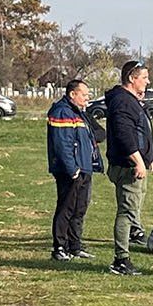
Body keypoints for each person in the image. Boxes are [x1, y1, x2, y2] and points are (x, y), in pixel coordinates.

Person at [104, 59, 153, 277]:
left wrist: (151, 157)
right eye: (144, 77)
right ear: (132, 79)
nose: (148, 81)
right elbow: (125, 136)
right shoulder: (123, 102)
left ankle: (133, 237)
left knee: (133, 209)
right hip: (128, 167)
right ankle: (121, 260)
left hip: (137, 163)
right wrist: (137, 162)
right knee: (126, 212)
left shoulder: (131, 100)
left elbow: (142, 131)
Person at [45, 77, 99, 261]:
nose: (87, 98)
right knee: (66, 208)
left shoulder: (79, 113)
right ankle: (59, 247)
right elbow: (62, 144)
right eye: (84, 95)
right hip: (71, 170)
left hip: (85, 167)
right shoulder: (62, 112)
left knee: (79, 209)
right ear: (72, 94)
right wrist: (72, 168)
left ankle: (75, 245)